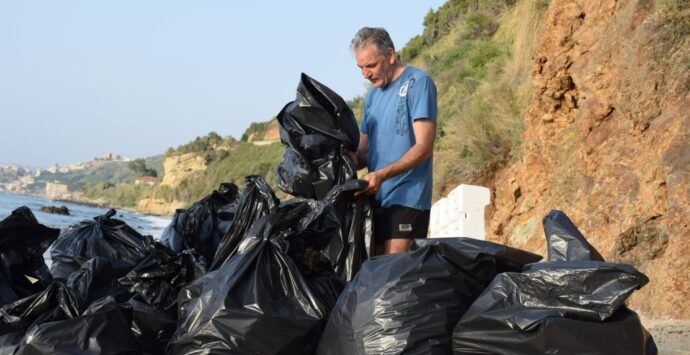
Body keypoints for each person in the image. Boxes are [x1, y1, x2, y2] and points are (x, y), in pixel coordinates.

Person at [349, 27, 437, 255]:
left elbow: (424, 147)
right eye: (360, 68)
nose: (365, 74)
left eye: (371, 66)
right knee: (376, 275)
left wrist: (381, 175)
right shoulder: (371, 97)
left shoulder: (418, 82)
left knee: (394, 277)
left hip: (408, 197)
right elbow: (362, 153)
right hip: (377, 200)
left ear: (390, 55)